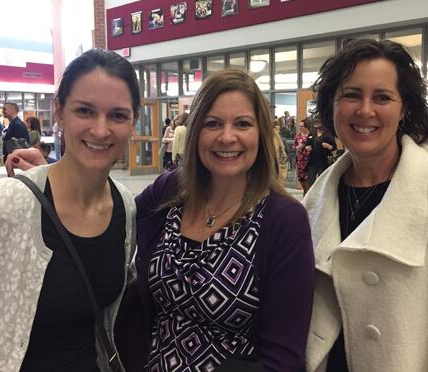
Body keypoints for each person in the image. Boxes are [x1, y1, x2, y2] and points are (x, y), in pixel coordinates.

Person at [303, 39, 428, 371]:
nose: (365, 110)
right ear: (332, 105)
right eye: (351, 95)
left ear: (404, 109)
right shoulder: (315, 201)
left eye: (382, 97)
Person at [0, 49, 140, 371]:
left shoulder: (125, 207)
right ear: (59, 112)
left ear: (134, 121)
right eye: (85, 111)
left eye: (118, 115)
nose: (100, 130)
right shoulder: (1, 207)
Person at [134, 69, 314, 371]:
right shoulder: (173, 189)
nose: (227, 137)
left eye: (242, 124)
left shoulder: (284, 221)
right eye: (213, 123)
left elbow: (283, 358)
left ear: (261, 133)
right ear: (196, 131)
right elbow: (115, 218)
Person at [304, 124, 336, 190]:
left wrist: (328, 146)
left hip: (323, 161)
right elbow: (307, 144)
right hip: (312, 161)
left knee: (322, 181)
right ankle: (310, 194)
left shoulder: (328, 134)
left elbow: (334, 147)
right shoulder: (312, 133)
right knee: (310, 180)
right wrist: (307, 147)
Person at [293, 119, 312, 195]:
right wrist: (297, 147)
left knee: (308, 177)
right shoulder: (298, 136)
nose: (300, 127)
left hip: (310, 159)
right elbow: (294, 146)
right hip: (300, 159)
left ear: (306, 127)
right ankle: (305, 190)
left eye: (301, 126)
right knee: (301, 177)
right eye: (299, 126)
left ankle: (307, 193)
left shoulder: (311, 135)